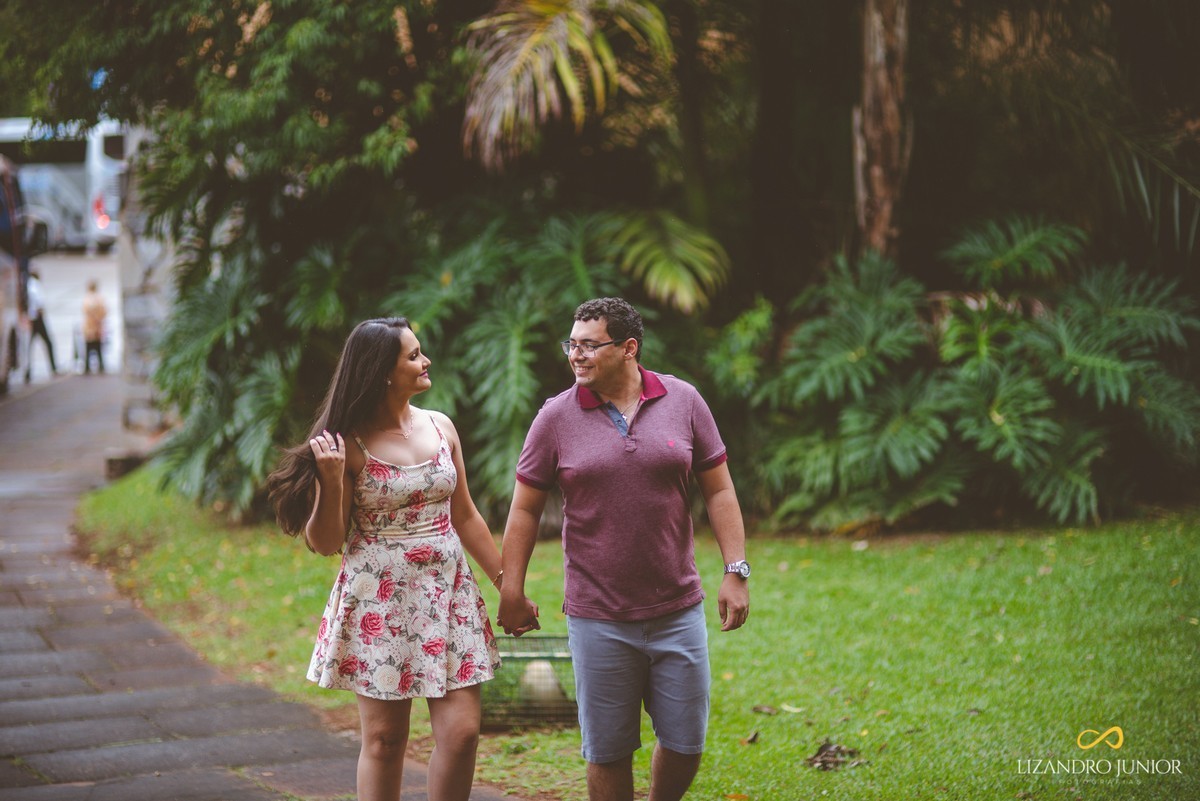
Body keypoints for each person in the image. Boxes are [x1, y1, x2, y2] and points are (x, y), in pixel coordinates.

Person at [268, 317, 536, 801]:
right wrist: (331, 480)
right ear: (383, 373)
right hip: (380, 599)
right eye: (413, 356)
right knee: (385, 740)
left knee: (462, 734)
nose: (425, 360)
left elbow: (466, 515)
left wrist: (508, 588)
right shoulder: (346, 445)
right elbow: (326, 542)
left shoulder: (441, 426)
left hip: (448, 593)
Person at [497, 297, 751, 801]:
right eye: (572, 344)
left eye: (590, 345)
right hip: (598, 616)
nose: (576, 355)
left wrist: (735, 569)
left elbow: (719, 489)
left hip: (677, 608)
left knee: (686, 742)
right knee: (608, 751)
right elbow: (524, 509)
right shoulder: (555, 417)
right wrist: (512, 588)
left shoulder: (683, 401)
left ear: (629, 348)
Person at [24, 270, 57, 382]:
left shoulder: (28, 284)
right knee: (48, 342)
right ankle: (53, 367)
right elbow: (39, 302)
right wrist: (41, 314)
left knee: (29, 346)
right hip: (36, 319)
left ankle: (28, 371)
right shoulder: (34, 284)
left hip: (31, 318)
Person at [80, 280, 107, 374]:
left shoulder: (87, 298)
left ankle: (88, 367)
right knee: (98, 347)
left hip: (90, 325)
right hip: (96, 325)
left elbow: (86, 310)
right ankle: (100, 366)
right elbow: (103, 311)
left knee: (89, 347)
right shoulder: (99, 298)